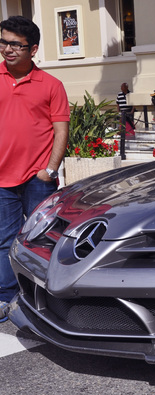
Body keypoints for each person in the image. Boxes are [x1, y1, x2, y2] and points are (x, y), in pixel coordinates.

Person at [0, 16, 70, 321]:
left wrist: (51, 170)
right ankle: (6, 298)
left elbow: (61, 129)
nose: (8, 49)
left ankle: (49, 295)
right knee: (4, 239)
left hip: (37, 177)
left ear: (33, 49)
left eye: (16, 44)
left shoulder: (51, 85)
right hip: (1, 178)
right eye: (4, 41)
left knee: (43, 238)